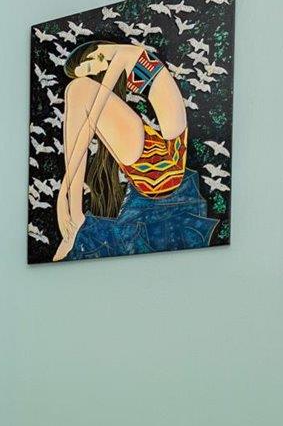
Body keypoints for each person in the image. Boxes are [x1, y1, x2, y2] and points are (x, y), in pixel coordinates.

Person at [54, 40, 219, 261]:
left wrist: (62, 192)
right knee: (77, 92)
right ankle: (75, 216)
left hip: (165, 161)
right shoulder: (123, 57)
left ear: (94, 54)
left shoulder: (122, 54)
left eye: (91, 68)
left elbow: (90, 119)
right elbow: (87, 127)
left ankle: (75, 216)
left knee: (77, 89)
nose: (95, 75)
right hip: (159, 165)